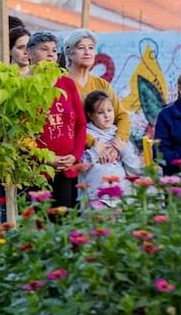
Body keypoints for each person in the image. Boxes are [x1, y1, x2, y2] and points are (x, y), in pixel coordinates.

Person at [27, 33, 86, 208]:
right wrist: (47, 158)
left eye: (54, 50)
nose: (51, 54)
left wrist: (74, 156)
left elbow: (81, 124)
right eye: (44, 49)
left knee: (66, 224)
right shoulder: (24, 86)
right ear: (29, 54)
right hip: (37, 170)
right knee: (39, 225)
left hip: (68, 168)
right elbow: (20, 134)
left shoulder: (67, 83)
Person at [63, 29, 130, 164]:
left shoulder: (101, 84)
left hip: (107, 154)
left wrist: (116, 145)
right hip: (73, 155)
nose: (87, 52)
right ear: (69, 53)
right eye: (81, 48)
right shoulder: (60, 83)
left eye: (91, 48)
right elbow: (66, 125)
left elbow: (122, 116)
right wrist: (95, 144)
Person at [79, 91, 142, 205]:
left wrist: (124, 150)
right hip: (93, 197)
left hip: (119, 197)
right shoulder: (85, 136)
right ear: (90, 115)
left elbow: (135, 170)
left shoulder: (119, 136)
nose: (107, 116)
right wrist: (95, 151)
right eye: (100, 112)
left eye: (109, 110)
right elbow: (80, 166)